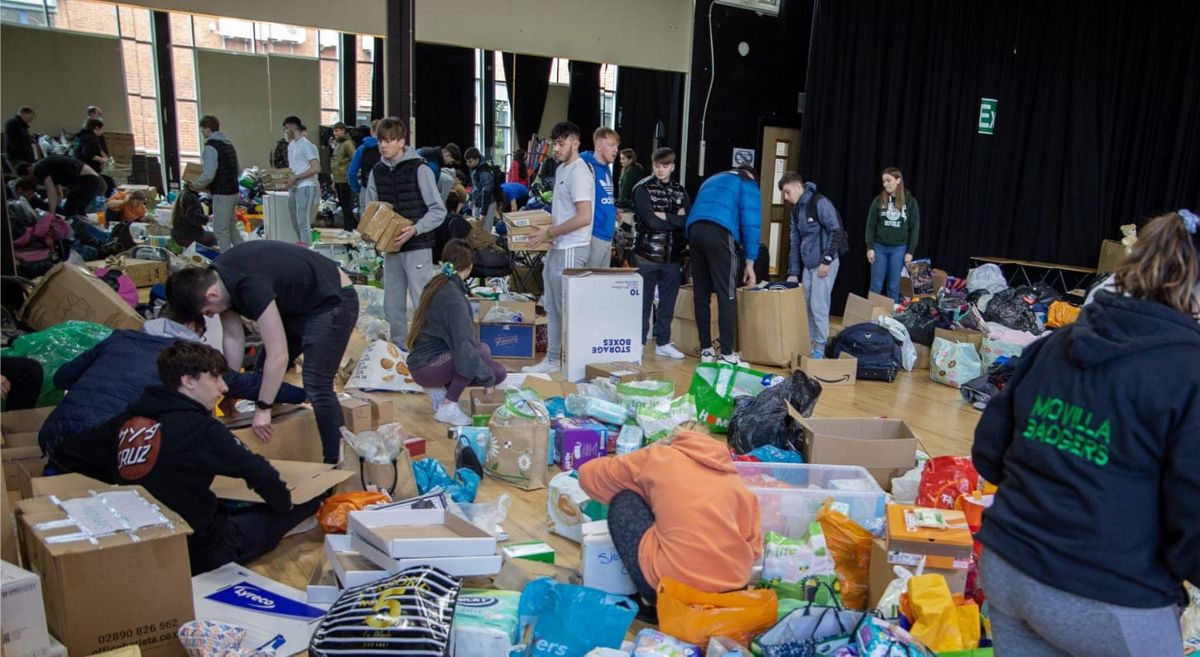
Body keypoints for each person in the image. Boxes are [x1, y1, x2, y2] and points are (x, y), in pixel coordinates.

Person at [971, 209, 1200, 657]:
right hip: (1108, 596)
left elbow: (988, 452)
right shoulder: (1188, 369)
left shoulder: (1058, 342)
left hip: (1008, 567)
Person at [48, 341, 320, 576]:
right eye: (215, 378)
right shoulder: (201, 429)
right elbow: (261, 474)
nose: (223, 388)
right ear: (189, 381)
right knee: (310, 500)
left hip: (144, 539)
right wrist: (283, 505)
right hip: (200, 548)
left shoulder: (129, 420)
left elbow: (67, 454)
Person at [166, 241, 358, 464]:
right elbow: (233, 337)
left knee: (317, 384)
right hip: (298, 304)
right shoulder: (218, 282)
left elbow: (279, 355)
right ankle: (281, 438)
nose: (209, 317)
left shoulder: (249, 285)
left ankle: (337, 463)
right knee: (261, 373)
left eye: (207, 312)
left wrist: (263, 408)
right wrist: (229, 388)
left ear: (211, 296)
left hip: (332, 298)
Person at [37, 313, 305, 454]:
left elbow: (62, 377)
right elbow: (246, 383)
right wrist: (305, 394)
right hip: (113, 446)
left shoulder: (120, 338)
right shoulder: (186, 358)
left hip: (53, 435)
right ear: (191, 326)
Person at [578, 423, 762, 614]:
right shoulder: (736, 484)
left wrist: (648, 455)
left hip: (671, 588)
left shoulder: (660, 457)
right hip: (731, 592)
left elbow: (588, 475)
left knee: (625, 501)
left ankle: (651, 602)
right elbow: (755, 550)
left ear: (675, 440)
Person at [363, 117, 448, 345]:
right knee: (392, 304)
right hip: (391, 249)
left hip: (418, 246)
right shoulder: (376, 172)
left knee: (421, 300)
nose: (383, 145)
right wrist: (370, 231)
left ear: (401, 141)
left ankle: (427, 346)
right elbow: (370, 210)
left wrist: (415, 229)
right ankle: (399, 348)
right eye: (381, 140)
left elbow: (438, 211)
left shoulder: (420, 169)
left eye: (389, 140)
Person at [407, 240, 507, 426]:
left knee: (497, 372)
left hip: (427, 361)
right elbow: (464, 346)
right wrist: (487, 381)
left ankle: (440, 391)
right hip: (427, 366)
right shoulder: (453, 298)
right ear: (469, 267)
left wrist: (488, 377)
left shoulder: (438, 284)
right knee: (480, 351)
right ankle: (448, 405)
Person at [522, 122, 595, 374]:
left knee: (568, 309)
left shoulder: (579, 172)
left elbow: (584, 216)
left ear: (575, 143)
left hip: (573, 246)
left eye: (561, 143)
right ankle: (553, 359)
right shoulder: (562, 169)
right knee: (552, 305)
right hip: (558, 245)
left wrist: (550, 231)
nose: (556, 148)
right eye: (554, 143)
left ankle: (573, 362)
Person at [685, 166, 760, 364]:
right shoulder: (747, 182)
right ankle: (727, 354)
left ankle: (706, 351)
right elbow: (751, 222)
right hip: (720, 231)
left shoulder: (712, 178)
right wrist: (750, 263)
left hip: (694, 231)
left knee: (701, 294)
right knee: (727, 293)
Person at [632, 147, 690, 359]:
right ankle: (637, 343)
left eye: (665, 165)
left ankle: (663, 342)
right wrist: (674, 218)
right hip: (646, 254)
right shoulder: (642, 189)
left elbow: (687, 220)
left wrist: (665, 216)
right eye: (657, 165)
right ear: (653, 165)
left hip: (673, 255)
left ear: (672, 166)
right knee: (643, 303)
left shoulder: (679, 190)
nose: (661, 169)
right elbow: (650, 221)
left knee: (668, 302)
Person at [780, 172, 845, 358]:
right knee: (807, 306)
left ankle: (820, 348)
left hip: (824, 264)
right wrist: (793, 271)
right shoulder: (796, 210)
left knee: (819, 306)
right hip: (808, 266)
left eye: (787, 192)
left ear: (798, 186)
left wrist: (827, 260)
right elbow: (795, 241)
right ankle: (809, 345)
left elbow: (835, 230)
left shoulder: (820, 203)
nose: (786, 197)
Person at [866, 167, 920, 302]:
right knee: (876, 286)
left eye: (889, 180)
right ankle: (870, 318)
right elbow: (870, 225)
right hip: (879, 248)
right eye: (884, 181)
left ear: (898, 180)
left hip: (899, 249)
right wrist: (870, 247)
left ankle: (892, 320)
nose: (886, 184)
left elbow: (915, 228)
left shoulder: (910, 202)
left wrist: (910, 251)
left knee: (893, 287)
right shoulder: (879, 200)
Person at [192, 115, 242, 251]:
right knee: (232, 227)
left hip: (222, 193)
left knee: (221, 229)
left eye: (202, 129)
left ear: (207, 129)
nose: (202, 132)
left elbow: (209, 175)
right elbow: (239, 171)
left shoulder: (211, 147)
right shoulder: (228, 144)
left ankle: (226, 261)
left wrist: (195, 185)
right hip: (234, 191)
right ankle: (243, 254)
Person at [581, 127, 620, 268]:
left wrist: (613, 209)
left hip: (607, 235)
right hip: (594, 234)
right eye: (611, 145)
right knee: (590, 283)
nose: (615, 150)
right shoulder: (586, 165)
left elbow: (602, 195)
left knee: (601, 283)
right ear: (598, 146)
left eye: (617, 146)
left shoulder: (605, 169)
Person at [282, 116, 319, 245]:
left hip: (306, 186)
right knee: (295, 221)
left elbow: (316, 167)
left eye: (286, 128)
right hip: (294, 187)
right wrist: (288, 177)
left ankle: (307, 252)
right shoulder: (291, 146)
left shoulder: (306, 145)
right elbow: (293, 167)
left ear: (293, 127)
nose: (285, 132)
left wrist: (297, 177)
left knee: (303, 222)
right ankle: (303, 245)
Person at [31, 155, 105, 217]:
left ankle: (76, 230)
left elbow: (51, 192)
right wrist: (55, 209)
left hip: (88, 180)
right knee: (78, 211)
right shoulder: (49, 167)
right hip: (95, 180)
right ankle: (80, 230)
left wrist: (51, 214)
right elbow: (59, 194)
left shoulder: (39, 168)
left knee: (71, 211)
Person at [348, 119, 381, 213]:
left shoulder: (362, 149)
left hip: (366, 189)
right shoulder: (389, 148)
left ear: (371, 131)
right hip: (385, 190)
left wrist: (358, 189)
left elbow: (351, 173)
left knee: (367, 223)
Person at [329, 122, 357, 230]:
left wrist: (349, 173)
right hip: (338, 179)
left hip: (345, 179)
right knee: (343, 205)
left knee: (347, 206)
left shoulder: (348, 144)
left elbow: (354, 158)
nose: (334, 133)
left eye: (336, 130)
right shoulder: (338, 144)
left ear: (343, 130)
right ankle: (346, 228)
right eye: (333, 131)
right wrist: (334, 180)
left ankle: (349, 228)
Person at [75, 117, 113, 196]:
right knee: (104, 184)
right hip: (87, 166)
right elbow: (89, 154)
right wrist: (103, 160)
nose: (103, 131)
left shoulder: (90, 136)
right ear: (96, 128)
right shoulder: (89, 137)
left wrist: (104, 156)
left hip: (88, 166)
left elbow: (99, 149)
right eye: (102, 129)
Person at [464, 147, 498, 228]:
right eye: (466, 161)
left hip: (487, 203)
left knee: (484, 231)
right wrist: (471, 199)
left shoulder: (485, 171)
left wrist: (483, 212)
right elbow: (474, 186)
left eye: (470, 161)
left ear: (477, 159)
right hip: (477, 201)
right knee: (475, 228)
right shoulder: (474, 168)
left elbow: (487, 192)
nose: (467, 164)